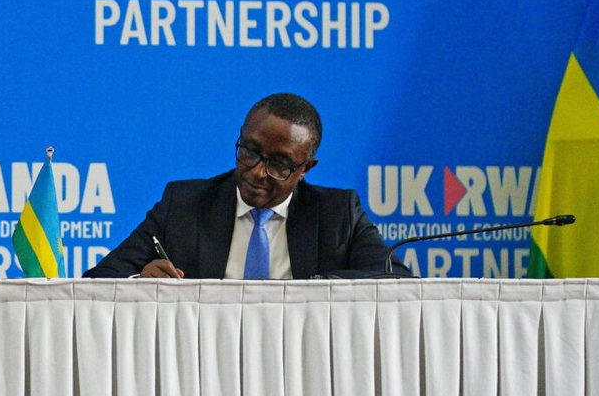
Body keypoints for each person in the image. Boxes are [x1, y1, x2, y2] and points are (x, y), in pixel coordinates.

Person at [86, 92, 392, 279]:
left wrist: (322, 288)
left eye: (279, 164)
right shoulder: (184, 204)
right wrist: (140, 280)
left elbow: (394, 279)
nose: (257, 172)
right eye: (249, 151)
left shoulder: (337, 213)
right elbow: (100, 278)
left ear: (304, 170)